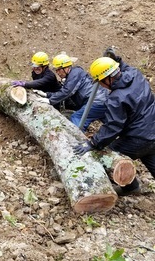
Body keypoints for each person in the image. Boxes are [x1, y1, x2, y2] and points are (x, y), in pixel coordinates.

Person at [73, 56, 155, 196]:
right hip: (152, 131)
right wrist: (118, 60)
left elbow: (113, 126)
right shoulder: (136, 74)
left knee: (107, 155)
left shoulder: (116, 98)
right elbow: (126, 68)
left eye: (100, 82)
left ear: (108, 79)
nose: (101, 85)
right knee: (149, 153)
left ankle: (130, 187)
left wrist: (93, 143)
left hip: (137, 138)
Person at [35, 53, 109, 131]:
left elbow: (67, 92)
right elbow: (63, 91)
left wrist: (50, 100)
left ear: (66, 67)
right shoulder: (71, 76)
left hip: (96, 101)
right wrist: (47, 94)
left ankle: (77, 140)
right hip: (99, 100)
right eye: (56, 70)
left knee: (76, 117)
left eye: (59, 69)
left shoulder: (75, 73)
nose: (58, 72)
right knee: (110, 122)